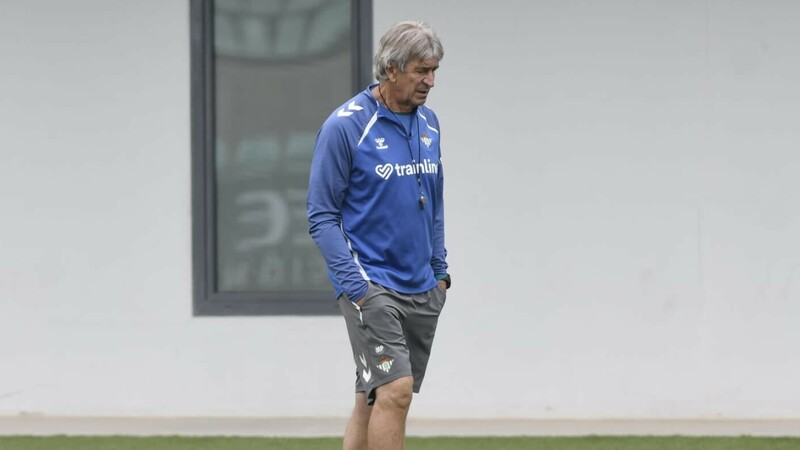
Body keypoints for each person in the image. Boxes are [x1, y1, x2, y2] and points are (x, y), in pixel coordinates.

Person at [307, 21, 450, 450]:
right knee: (396, 391)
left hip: (423, 286)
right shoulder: (346, 127)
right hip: (371, 286)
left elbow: (434, 200)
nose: (430, 81)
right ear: (391, 68)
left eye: (434, 70)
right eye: (421, 70)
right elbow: (322, 215)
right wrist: (357, 287)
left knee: (371, 398)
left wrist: (440, 272)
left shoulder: (430, 123)